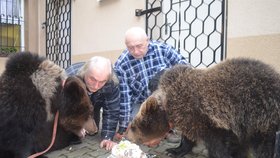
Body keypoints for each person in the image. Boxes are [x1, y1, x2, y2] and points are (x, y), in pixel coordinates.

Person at [114, 27, 195, 157]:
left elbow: (186, 69)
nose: (135, 51)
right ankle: (156, 133)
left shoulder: (164, 50)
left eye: (139, 46)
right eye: (130, 48)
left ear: (147, 40)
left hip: (165, 101)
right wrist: (124, 125)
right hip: (141, 102)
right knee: (136, 125)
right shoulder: (121, 64)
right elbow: (125, 97)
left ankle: (168, 131)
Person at [66, 56, 120, 151]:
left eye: (102, 82)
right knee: (71, 136)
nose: (96, 86)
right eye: (92, 79)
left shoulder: (112, 82)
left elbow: (111, 111)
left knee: (92, 131)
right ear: (85, 72)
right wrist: (74, 127)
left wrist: (107, 137)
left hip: (94, 105)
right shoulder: (70, 76)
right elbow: (60, 107)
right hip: (71, 108)